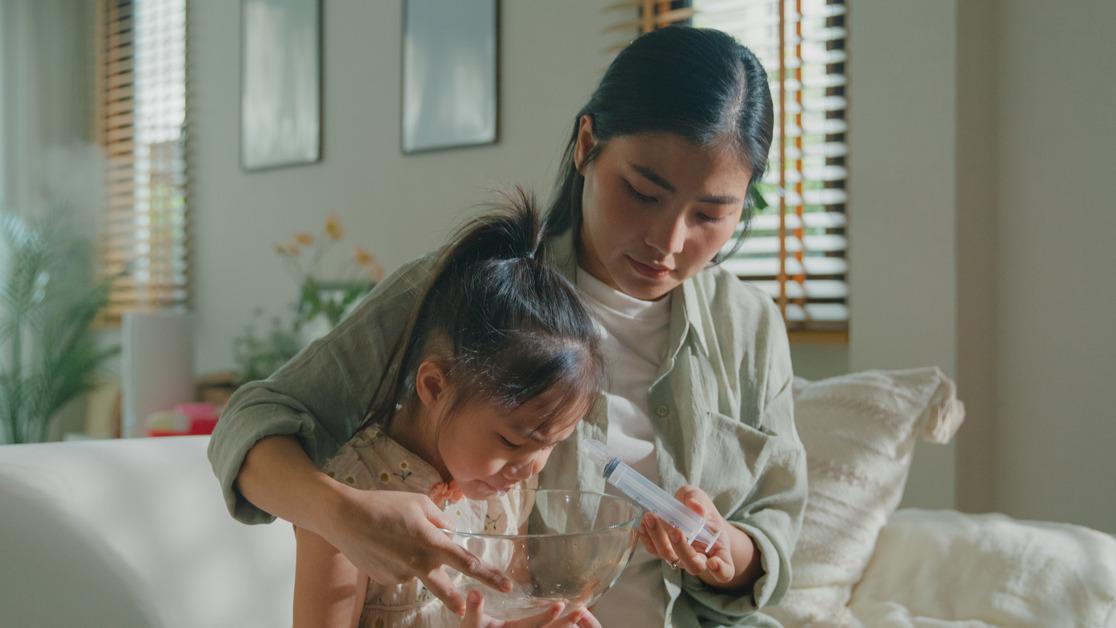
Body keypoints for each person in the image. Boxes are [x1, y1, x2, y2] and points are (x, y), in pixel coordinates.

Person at [209, 26, 807, 627]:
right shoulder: (473, 296)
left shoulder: (750, 329)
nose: (668, 242)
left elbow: (775, 530)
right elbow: (249, 423)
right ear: (586, 144)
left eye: (710, 214)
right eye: (642, 192)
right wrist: (343, 516)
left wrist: (729, 551)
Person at [292, 198, 605, 627]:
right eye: (513, 440)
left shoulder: (506, 491)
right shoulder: (353, 500)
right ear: (435, 386)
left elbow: (505, 605)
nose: (530, 465)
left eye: (551, 444)